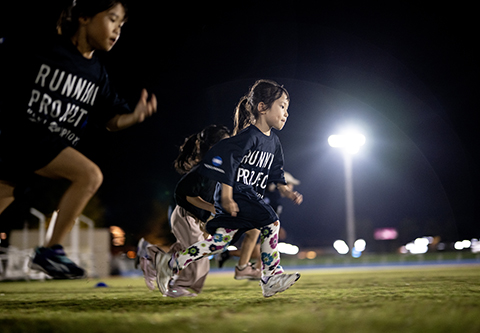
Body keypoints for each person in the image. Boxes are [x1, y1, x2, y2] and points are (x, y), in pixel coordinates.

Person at [0, 0, 157, 279]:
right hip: (26, 136)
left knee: (6, 192)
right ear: (84, 17)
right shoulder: (45, 47)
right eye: (111, 19)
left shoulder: (97, 73)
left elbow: (111, 119)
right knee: (89, 176)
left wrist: (134, 117)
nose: (117, 30)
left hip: (30, 153)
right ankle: (49, 252)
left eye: (121, 26)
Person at [154, 79, 303, 298]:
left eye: (287, 108)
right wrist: (226, 195)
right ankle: (271, 276)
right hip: (239, 193)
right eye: (282, 106)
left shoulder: (274, 143)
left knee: (219, 243)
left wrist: (286, 191)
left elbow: (276, 171)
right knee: (271, 221)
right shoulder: (249, 137)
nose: (286, 113)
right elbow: (227, 163)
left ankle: (171, 263)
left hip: (246, 196)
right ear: (262, 107)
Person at [139, 124, 231, 297]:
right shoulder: (203, 171)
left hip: (197, 219)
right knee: (199, 254)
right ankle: (178, 287)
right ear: (212, 147)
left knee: (184, 252)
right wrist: (211, 207)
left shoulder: (218, 170)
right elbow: (185, 195)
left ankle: (151, 257)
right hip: (185, 216)